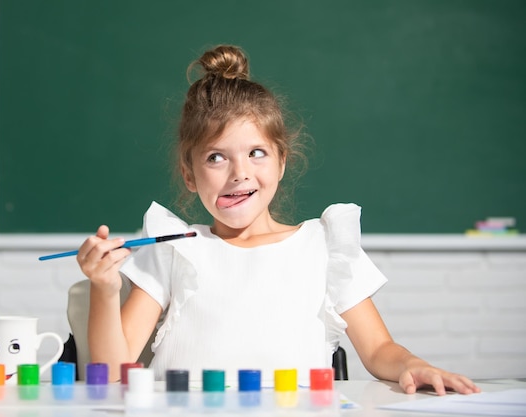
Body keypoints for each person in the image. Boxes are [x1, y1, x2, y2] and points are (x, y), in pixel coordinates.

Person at [77, 44, 480, 395]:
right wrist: (104, 287)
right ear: (189, 174)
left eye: (256, 153)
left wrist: (412, 364)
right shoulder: (173, 246)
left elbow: (378, 351)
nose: (239, 173)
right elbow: (113, 371)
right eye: (216, 157)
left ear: (282, 161)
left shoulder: (325, 245)